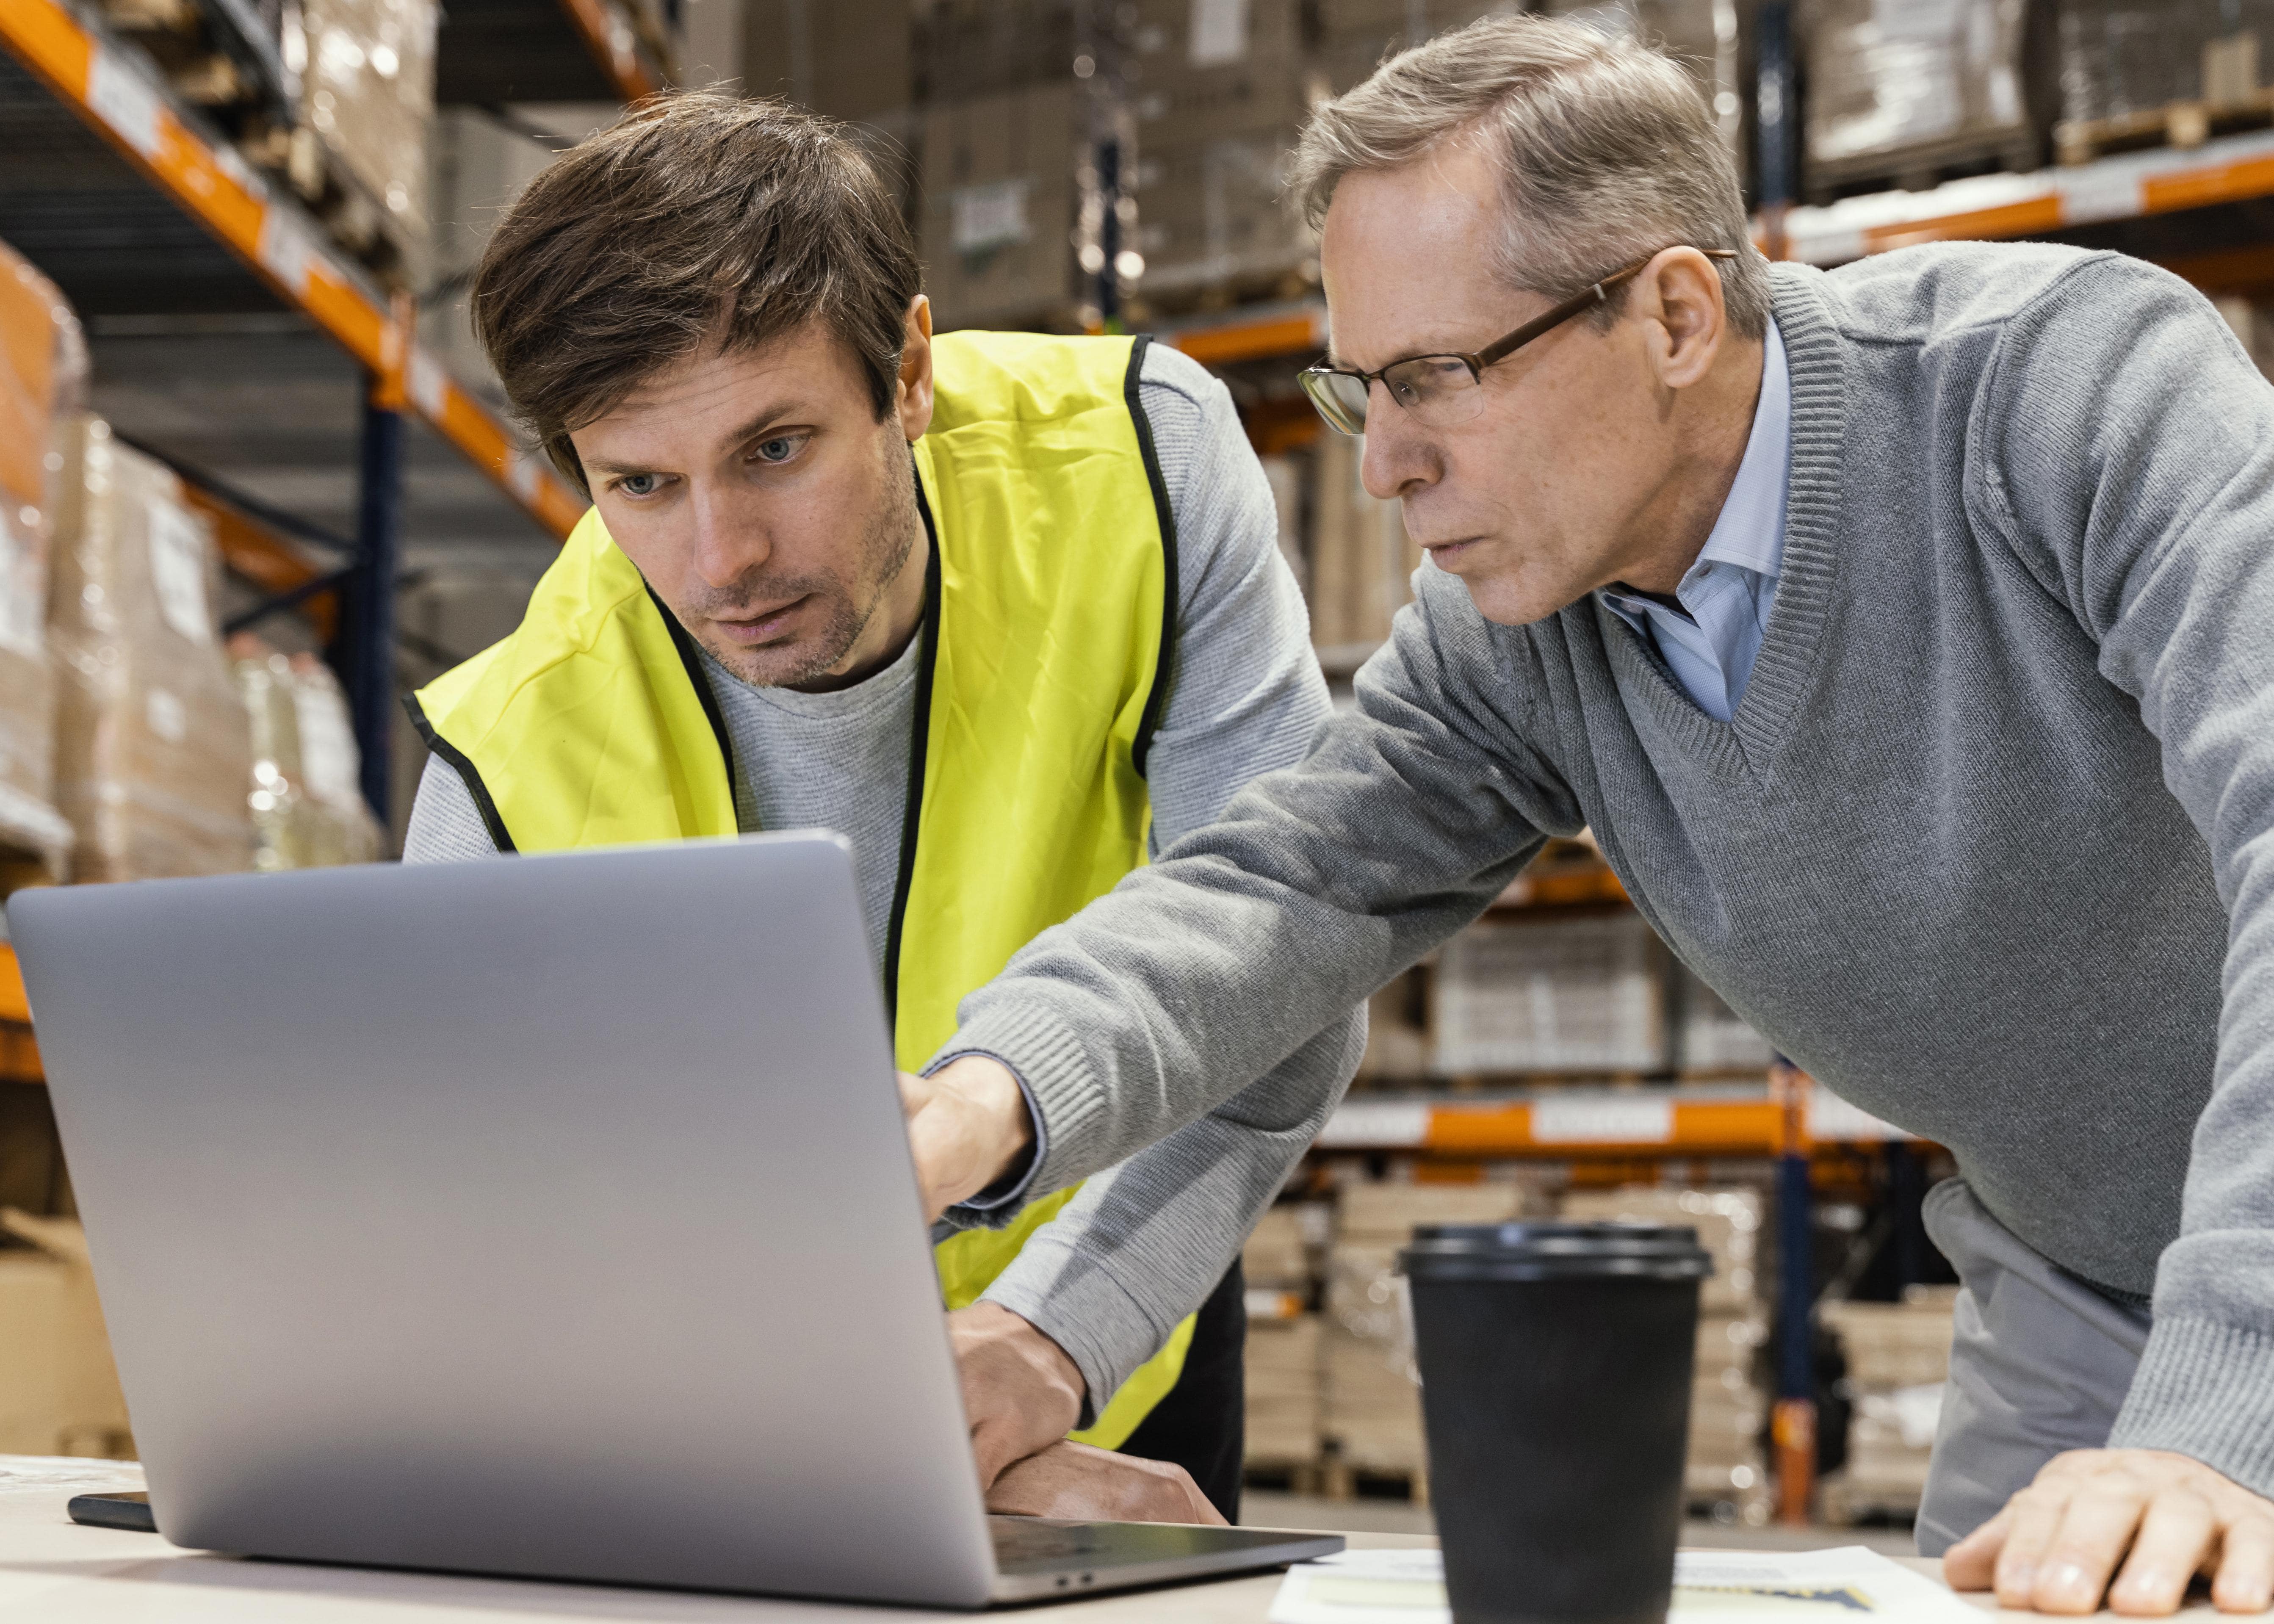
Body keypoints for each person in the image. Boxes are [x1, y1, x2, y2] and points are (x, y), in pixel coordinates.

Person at [900, 14, 2274, 1613]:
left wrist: (2225, 1398)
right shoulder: (1519, 637)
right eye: (1360, 393)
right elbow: (1286, 883)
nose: (1384, 468)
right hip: (2074, 1271)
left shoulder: (2058, 392)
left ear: (1675, 313)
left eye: (1432, 378)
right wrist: (978, 1098)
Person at [397, 93, 1362, 1524]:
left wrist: (1051, 1339)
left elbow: (1279, 985)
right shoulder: (506, 748)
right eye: (641, 485)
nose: (722, 559)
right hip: (735, 1411)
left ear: (906, 373)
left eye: (774, 449)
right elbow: (491, 1233)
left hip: (1110, 1315)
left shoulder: (1138, 475)